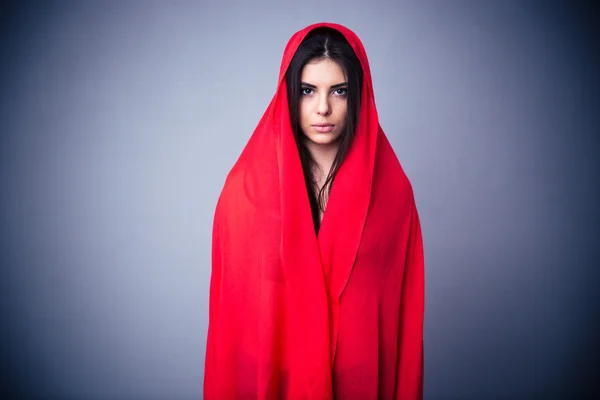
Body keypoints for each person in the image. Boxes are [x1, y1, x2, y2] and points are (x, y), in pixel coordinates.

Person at [204, 22, 424, 399]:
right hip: (277, 378)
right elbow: (235, 316)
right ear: (289, 93)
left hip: (358, 380)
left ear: (358, 94)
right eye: (308, 91)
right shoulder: (246, 190)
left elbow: (401, 314)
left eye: (338, 91)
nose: (323, 108)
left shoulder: (394, 193)